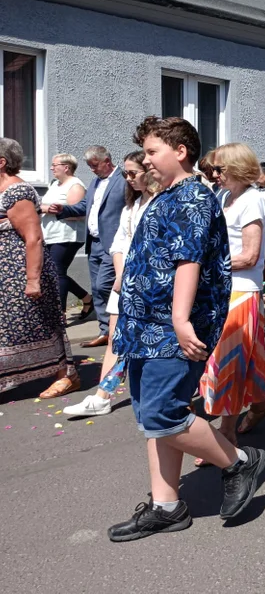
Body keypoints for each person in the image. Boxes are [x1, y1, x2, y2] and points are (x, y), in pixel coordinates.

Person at [107, 116, 265, 542]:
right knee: (151, 418)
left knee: (164, 412)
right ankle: (167, 506)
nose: (146, 160)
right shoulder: (166, 195)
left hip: (170, 327)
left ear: (181, 151)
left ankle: (238, 461)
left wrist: (180, 320)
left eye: (153, 151)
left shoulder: (193, 197)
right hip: (145, 325)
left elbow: (188, 261)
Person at [193, 143, 265, 465]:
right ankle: (260, 404)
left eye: (219, 169)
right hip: (222, 288)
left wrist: (206, 265)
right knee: (245, 358)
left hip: (241, 290)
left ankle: (226, 433)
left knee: (226, 362)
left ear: (238, 168)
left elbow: (251, 256)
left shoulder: (253, 200)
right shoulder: (224, 197)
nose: (214, 175)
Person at [64, 151, 159, 418]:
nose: (127, 179)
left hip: (151, 286)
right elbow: (119, 243)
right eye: (126, 174)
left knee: (156, 343)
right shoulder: (132, 205)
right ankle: (102, 396)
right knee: (116, 340)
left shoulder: (162, 204)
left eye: (132, 173)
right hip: (126, 282)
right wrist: (120, 275)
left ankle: (175, 395)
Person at [0, 138, 78, 399]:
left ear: (2, 162)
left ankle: (66, 375)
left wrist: (32, 280)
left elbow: (33, 237)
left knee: (41, 322)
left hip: (19, 271)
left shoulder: (16, 192)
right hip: (5, 274)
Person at [49, 146, 126, 348]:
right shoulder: (95, 182)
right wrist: (63, 209)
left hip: (113, 243)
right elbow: (85, 207)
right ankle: (105, 331)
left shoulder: (123, 180)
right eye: (90, 166)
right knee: (97, 288)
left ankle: (119, 327)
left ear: (107, 161)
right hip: (94, 243)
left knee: (103, 286)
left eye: (95, 165)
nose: (92, 169)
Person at [39, 153, 92, 316]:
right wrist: (45, 208)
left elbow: (79, 213)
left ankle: (59, 314)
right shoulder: (55, 184)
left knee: (56, 272)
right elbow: (43, 205)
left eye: (55, 165)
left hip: (67, 236)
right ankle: (86, 298)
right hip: (51, 235)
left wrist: (48, 209)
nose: (51, 168)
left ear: (66, 167)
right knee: (52, 272)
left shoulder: (76, 185)